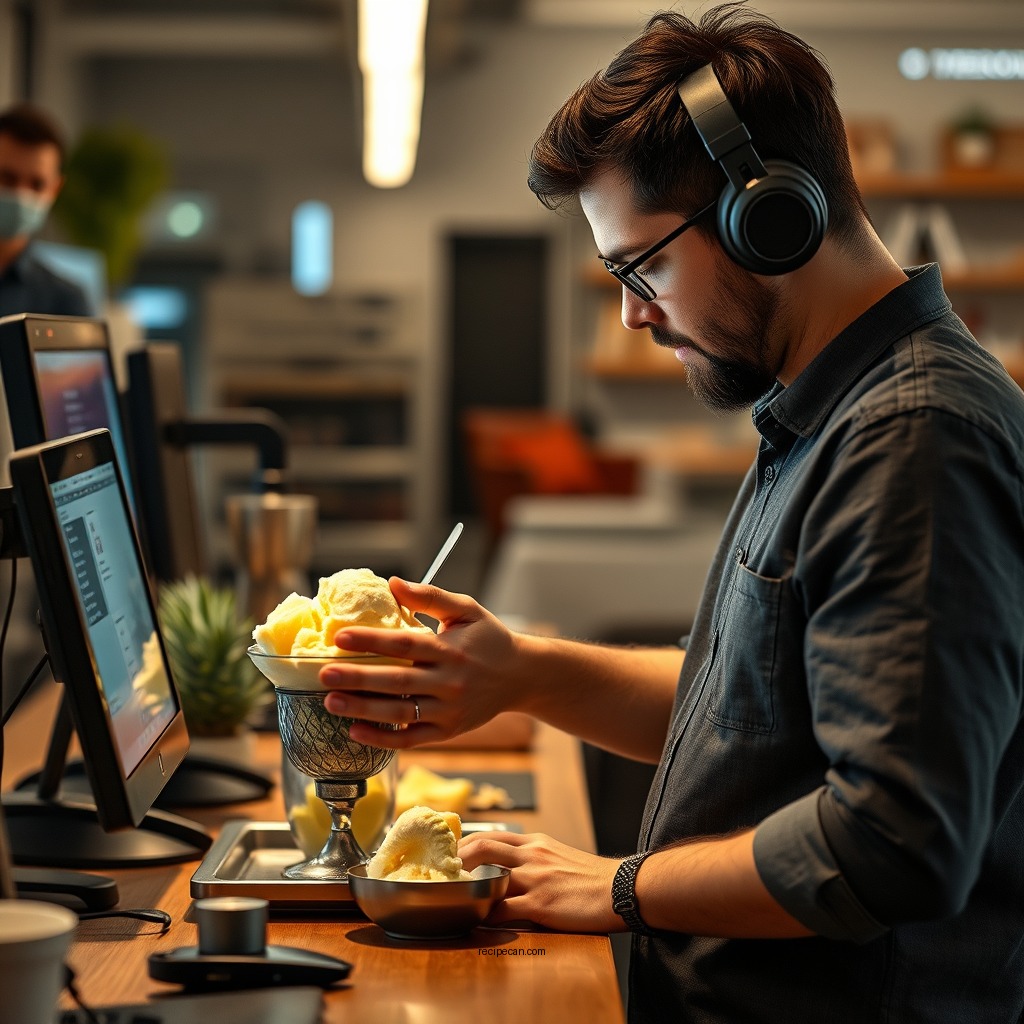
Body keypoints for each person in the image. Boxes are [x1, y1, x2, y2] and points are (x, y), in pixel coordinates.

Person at [317, 6, 1024, 1022]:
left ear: (768, 215)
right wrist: (524, 671)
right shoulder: (828, 411)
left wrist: (612, 886)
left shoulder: (914, 436)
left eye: (640, 268)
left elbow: (892, 844)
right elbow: (749, 710)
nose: (633, 314)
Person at [0, 102, 91, 318]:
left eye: (37, 184)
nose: (21, 194)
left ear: (55, 189)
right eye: (7, 178)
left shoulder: (65, 301)